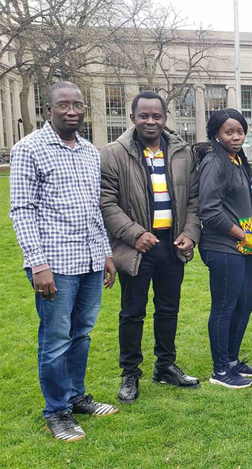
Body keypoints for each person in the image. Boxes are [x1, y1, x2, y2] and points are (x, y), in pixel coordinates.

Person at [9, 81, 119, 441]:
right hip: (54, 264)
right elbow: (21, 210)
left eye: (78, 105)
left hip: (88, 261)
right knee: (55, 339)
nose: (72, 111)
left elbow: (94, 209)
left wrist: (105, 253)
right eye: (63, 105)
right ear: (48, 110)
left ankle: (75, 396)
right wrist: (37, 264)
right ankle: (56, 411)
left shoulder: (90, 151)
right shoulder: (28, 149)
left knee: (82, 334)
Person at [100, 91, 201, 404]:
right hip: (137, 247)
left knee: (169, 309)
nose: (150, 121)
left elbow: (194, 200)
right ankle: (130, 372)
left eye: (156, 115)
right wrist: (134, 234)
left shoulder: (182, 151)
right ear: (133, 117)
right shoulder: (114, 153)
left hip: (172, 243)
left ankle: (165, 366)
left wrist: (190, 232)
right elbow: (106, 201)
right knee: (132, 312)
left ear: (165, 118)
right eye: (143, 115)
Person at [198, 108, 252, 389]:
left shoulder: (236, 160)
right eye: (229, 132)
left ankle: (233, 361)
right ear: (216, 135)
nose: (236, 137)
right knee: (224, 307)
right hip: (223, 246)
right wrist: (242, 235)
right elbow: (209, 211)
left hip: (244, 247)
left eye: (240, 131)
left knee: (246, 301)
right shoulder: (214, 163)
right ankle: (221, 370)